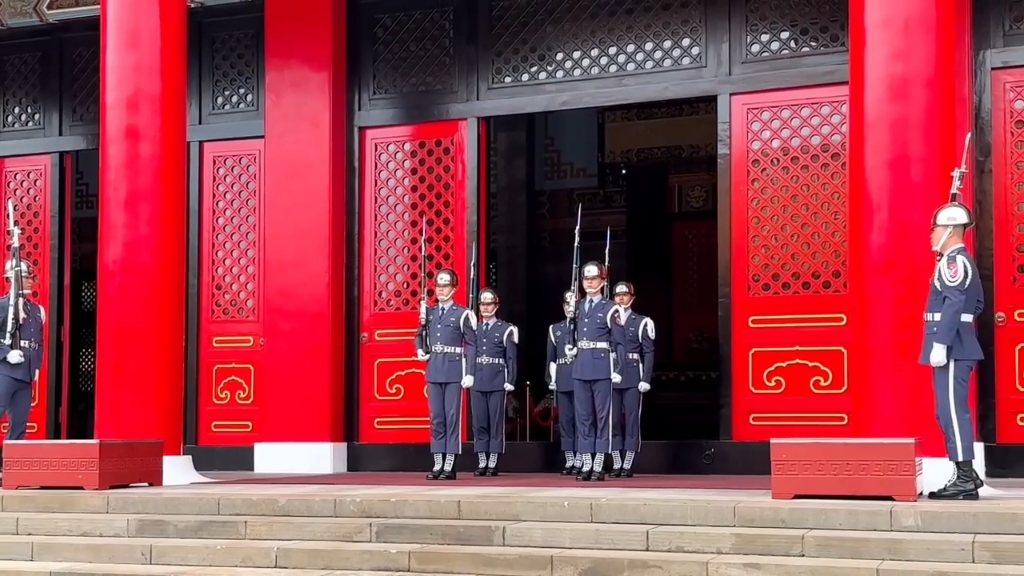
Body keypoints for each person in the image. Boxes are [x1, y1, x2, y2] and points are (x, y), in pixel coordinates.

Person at [919, 196, 984, 500]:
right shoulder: (958, 262)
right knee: (947, 411)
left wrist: (941, 342)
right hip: (959, 343)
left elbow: (956, 302)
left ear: (950, 230)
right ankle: (966, 476)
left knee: (952, 413)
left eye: (935, 228)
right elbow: (977, 303)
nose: (931, 233)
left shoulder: (954, 261)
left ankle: (965, 478)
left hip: (953, 347)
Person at [564, 261, 626, 481]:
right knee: (583, 416)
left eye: (594, 278)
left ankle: (598, 462)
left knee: (602, 417)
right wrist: (570, 347)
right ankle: (586, 461)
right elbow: (572, 333)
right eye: (586, 279)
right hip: (580, 365)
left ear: (603, 281)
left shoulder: (611, 309)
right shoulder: (578, 307)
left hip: (601, 367)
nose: (589, 282)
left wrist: (618, 368)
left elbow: (619, 342)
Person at [414, 268, 477, 480]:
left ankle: (450, 462)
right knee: (437, 418)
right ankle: (437, 461)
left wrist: (470, 372)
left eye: (445, 286)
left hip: (453, 369)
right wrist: (420, 348)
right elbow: (419, 336)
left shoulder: (462, 314)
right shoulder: (429, 313)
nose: (441, 290)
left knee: (451, 418)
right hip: (434, 368)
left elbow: (471, 344)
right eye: (439, 286)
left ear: (454, 288)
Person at [609, 281, 654, 478]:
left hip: (633, 373)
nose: (621, 298)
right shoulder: (608, 320)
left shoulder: (641, 322)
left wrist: (646, 378)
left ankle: (628, 462)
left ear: (632, 298)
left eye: (625, 295)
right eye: (618, 295)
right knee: (613, 419)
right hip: (612, 373)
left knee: (632, 418)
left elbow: (649, 352)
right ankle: (617, 461)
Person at [471, 288, 517, 476]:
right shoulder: (474, 329)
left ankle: (493, 461)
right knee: (479, 421)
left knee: (495, 421)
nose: (485, 308)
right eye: (482, 304)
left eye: (489, 304)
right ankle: (482, 460)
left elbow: (511, 358)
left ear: (496, 306)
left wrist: (511, 379)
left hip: (497, 378)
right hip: (477, 378)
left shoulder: (506, 329)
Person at [0, 260, 44, 442]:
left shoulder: (35, 310)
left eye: (31, 278)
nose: (30, 281)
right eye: (26, 277)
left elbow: (38, 343)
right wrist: (6, 353)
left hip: (25, 374)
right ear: (13, 279)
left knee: (19, 424)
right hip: (5, 371)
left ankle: (10, 466)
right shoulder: (3, 306)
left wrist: (36, 367)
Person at [547, 290, 579, 475]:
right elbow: (551, 358)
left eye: (573, 304)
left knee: (581, 420)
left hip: (579, 376)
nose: (569, 307)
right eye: (567, 304)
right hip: (563, 377)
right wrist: (551, 379)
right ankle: (570, 459)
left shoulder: (583, 327)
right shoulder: (555, 329)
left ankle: (583, 457)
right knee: (566, 420)